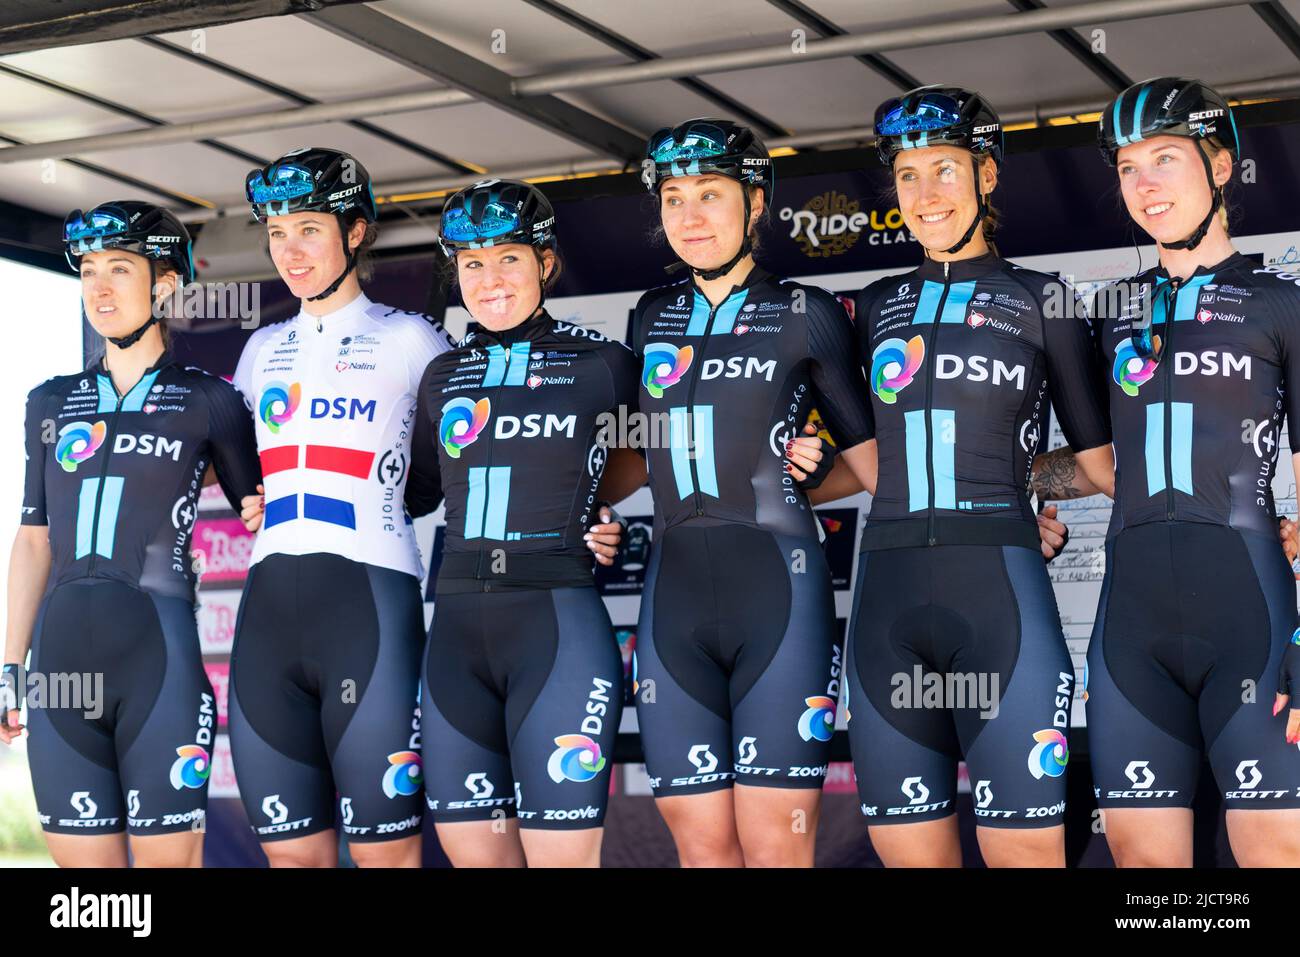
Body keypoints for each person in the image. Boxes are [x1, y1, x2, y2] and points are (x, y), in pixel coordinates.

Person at [800, 86, 1117, 868]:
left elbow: (1101, 463)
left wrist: (1020, 486)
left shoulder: (1042, 299)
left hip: (1001, 603)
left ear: (988, 176)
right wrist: (792, 480)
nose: (925, 193)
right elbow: (872, 466)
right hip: (887, 611)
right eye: (907, 176)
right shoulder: (872, 307)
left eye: (944, 169)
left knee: (1024, 856)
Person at [1031, 78, 1300, 866]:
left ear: (1219, 166)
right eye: (1127, 167)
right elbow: (1098, 469)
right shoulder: (1107, 309)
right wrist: (1017, 482)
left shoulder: (1279, 303)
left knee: (1278, 853)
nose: (1144, 184)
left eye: (1166, 160)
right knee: (1147, 874)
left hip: (1250, 615)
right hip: (1133, 629)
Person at [603, 118, 879, 867]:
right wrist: (578, 507)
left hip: (779, 595)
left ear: (756, 203)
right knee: (702, 850)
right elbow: (637, 457)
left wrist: (816, 473)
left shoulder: (807, 313)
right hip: (674, 600)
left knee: (776, 848)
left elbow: (878, 468)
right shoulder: (650, 316)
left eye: (711, 194)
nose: (690, 216)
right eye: (674, 197)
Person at [3, 201, 261, 867]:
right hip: (59, 671)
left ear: (167, 283)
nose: (100, 287)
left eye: (120, 268)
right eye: (88, 271)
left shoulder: (212, 399)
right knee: (92, 902)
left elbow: (267, 513)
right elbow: (34, 538)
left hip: (161, 666)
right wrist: (10, 665)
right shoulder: (48, 401)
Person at [229, 147, 454, 867]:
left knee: (385, 852)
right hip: (266, 608)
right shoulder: (262, 348)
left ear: (355, 231)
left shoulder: (412, 337)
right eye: (277, 232)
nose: (290, 250)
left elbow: (477, 459)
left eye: (309, 229)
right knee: (293, 855)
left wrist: (587, 516)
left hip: (370, 596)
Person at [414, 178, 636, 867]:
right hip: (455, 632)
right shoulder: (440, 373)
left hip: (557, 626)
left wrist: (594, 505)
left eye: (507, 258)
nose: (489, 280)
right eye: (472, 263)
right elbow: (415, 492)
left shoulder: (605, 364)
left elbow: (649, 461)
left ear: (544, 262)